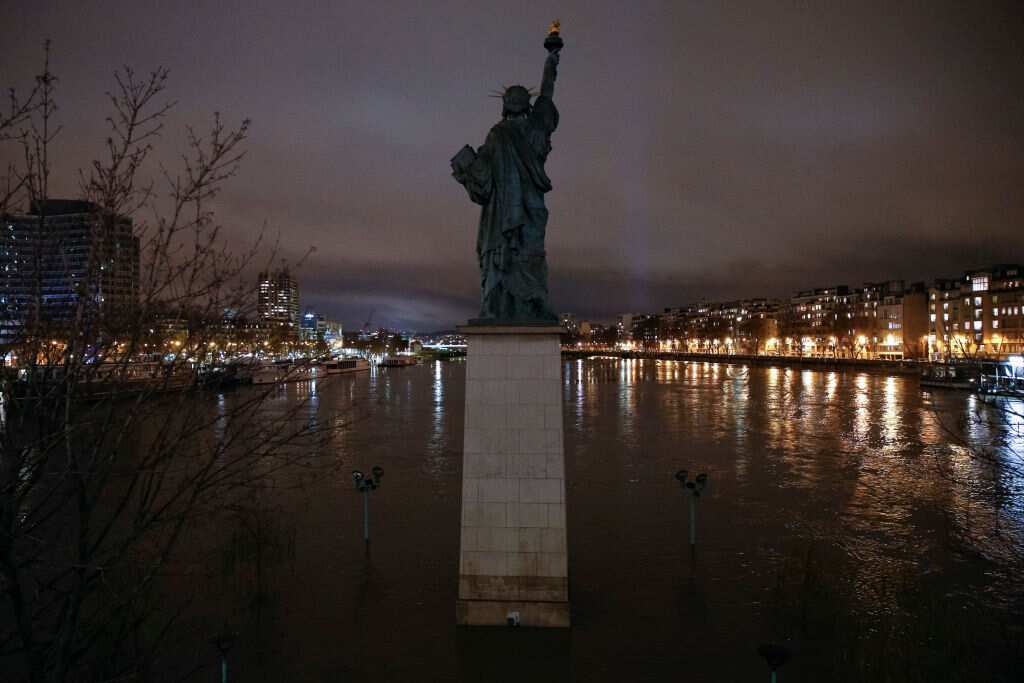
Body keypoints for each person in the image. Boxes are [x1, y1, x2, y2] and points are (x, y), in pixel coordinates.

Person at [452, 47, 562, 323]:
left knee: (499, 255)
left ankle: (496, 306)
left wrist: (467, 168)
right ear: (528, 105)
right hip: (532, 210)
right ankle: (533, 305)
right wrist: (551, 60)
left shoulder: (497, 134)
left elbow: (483, 182)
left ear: (505, 106)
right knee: (531, 256)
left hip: (502, 213)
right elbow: (547, 94)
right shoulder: (537, 128)